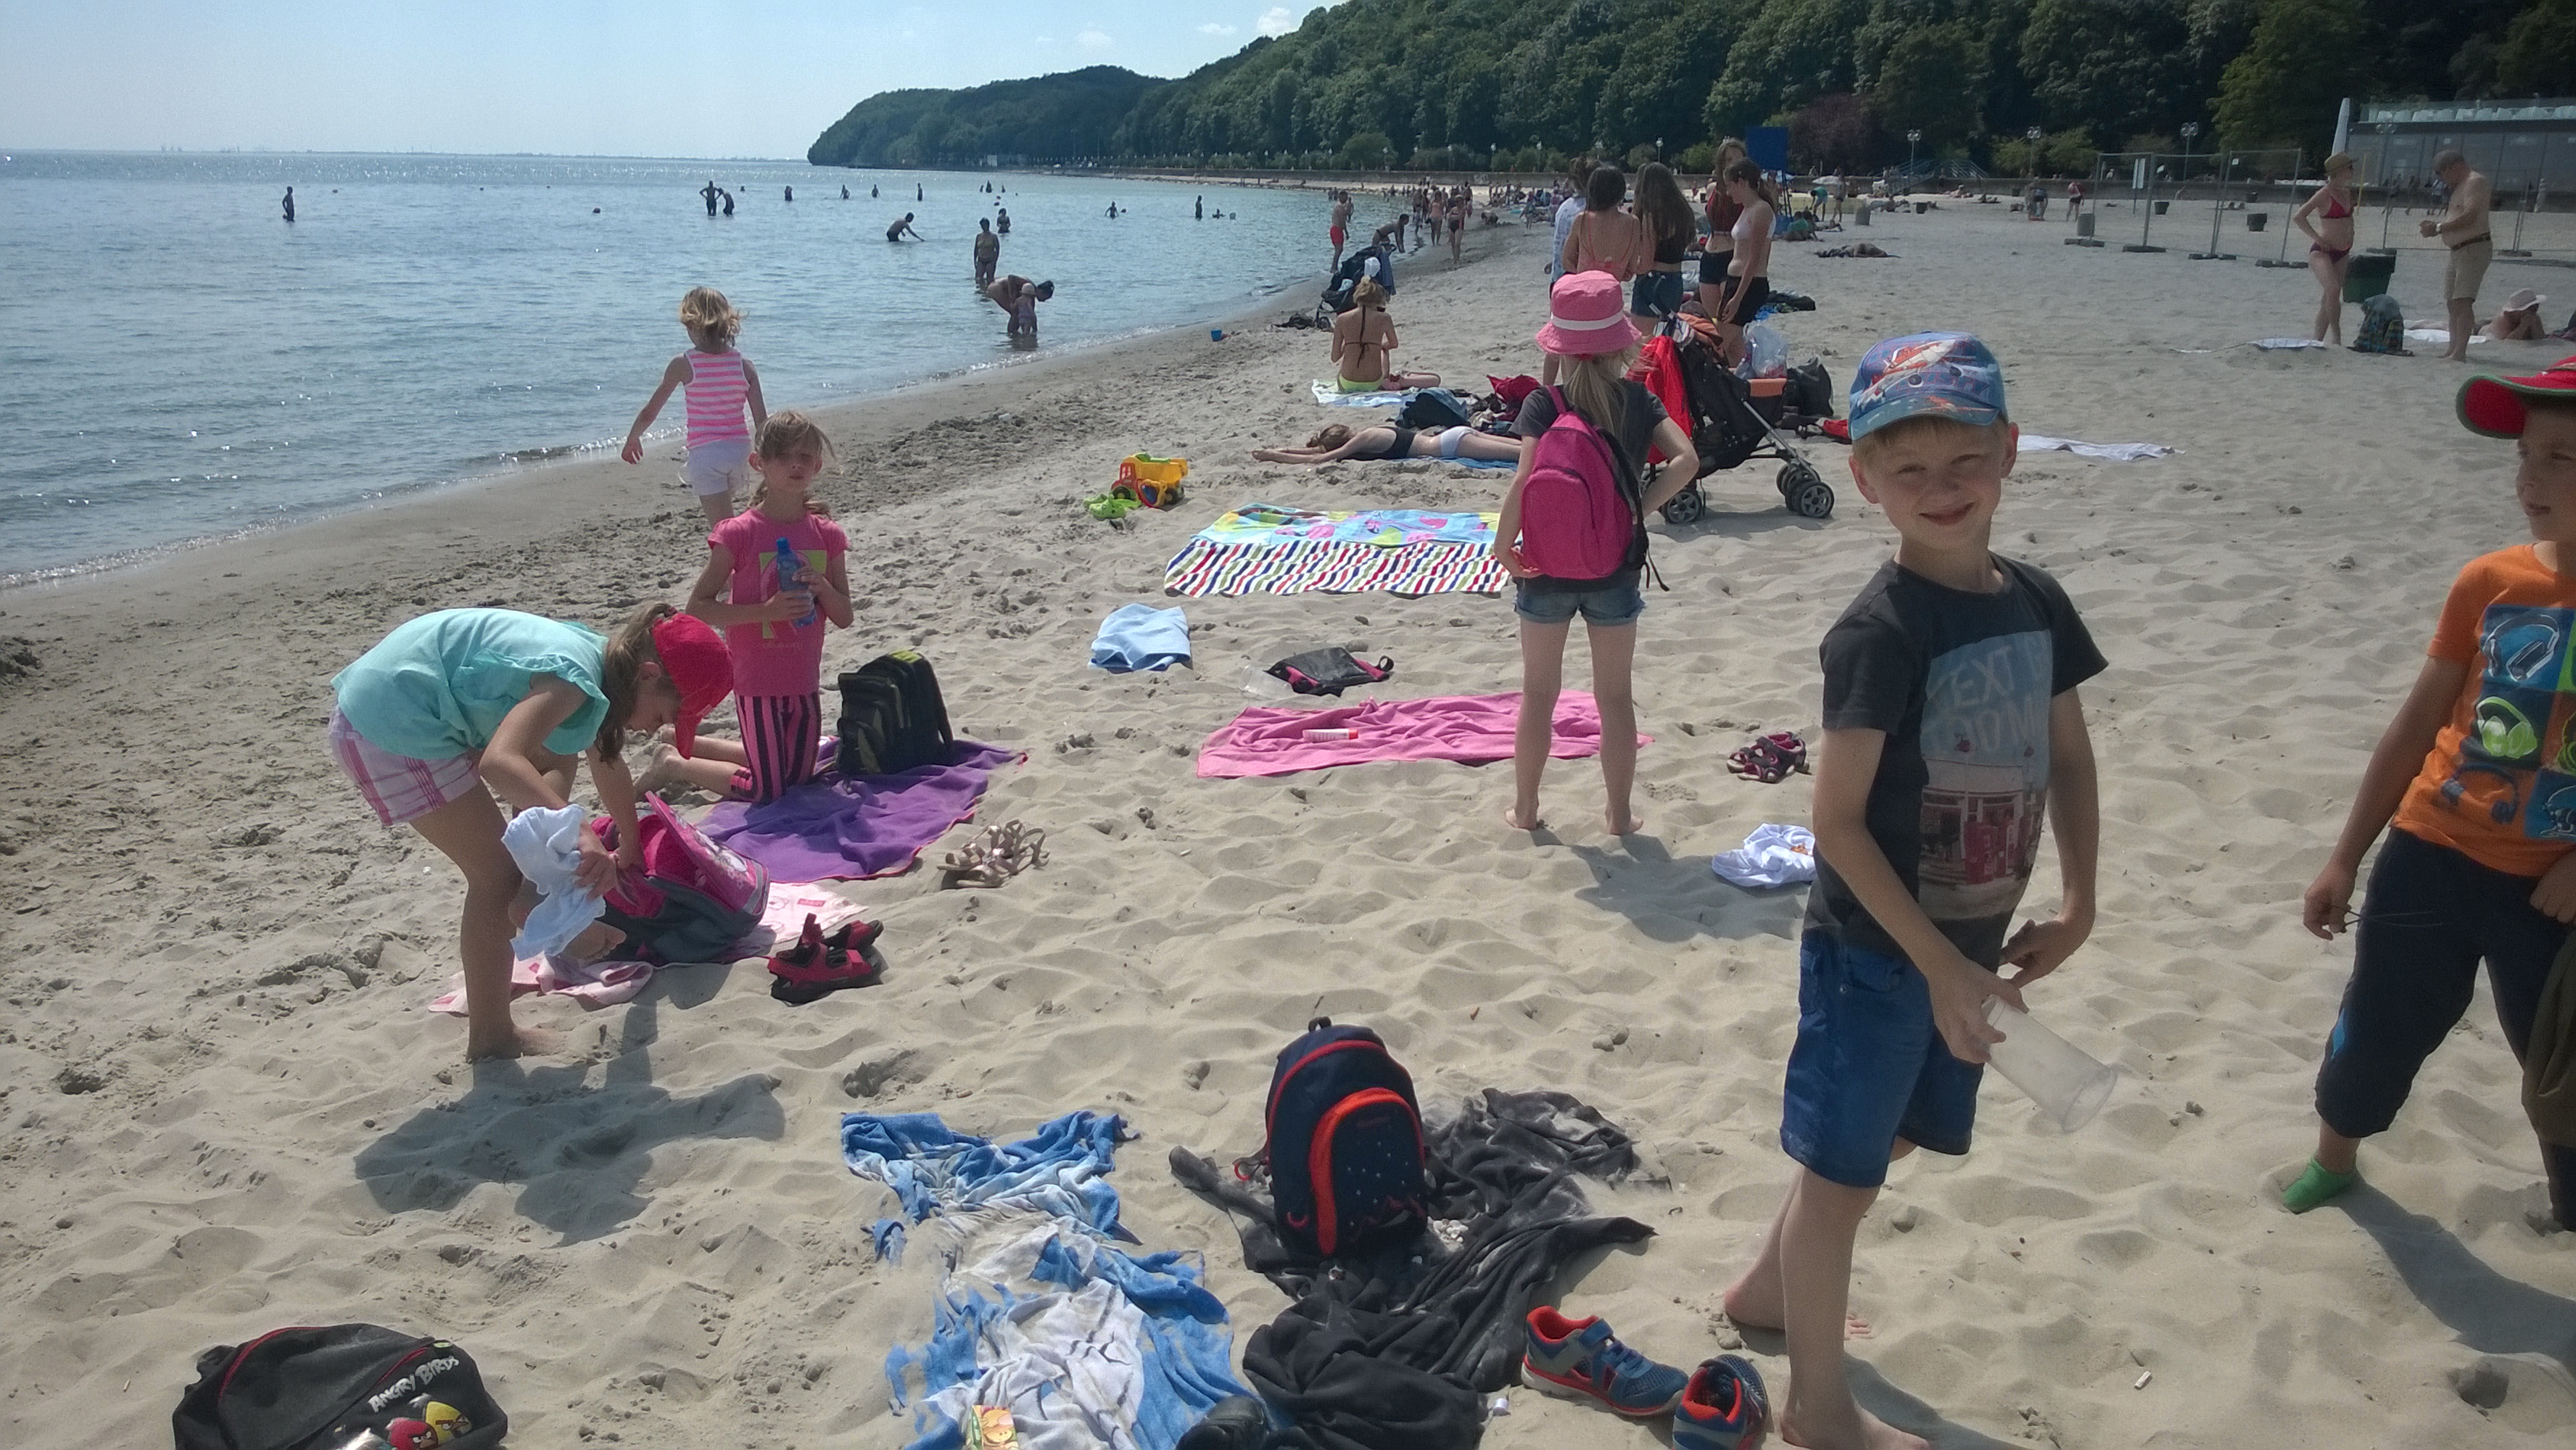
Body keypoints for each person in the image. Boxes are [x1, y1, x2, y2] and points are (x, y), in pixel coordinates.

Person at [1723, 331, 2104, 1450]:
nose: (1941, 489)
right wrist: (1938, 969)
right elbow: (1836, 823)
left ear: (2009, 452)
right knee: (1843, 1177)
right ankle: (1817, 1409)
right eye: (1910, 469)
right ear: (1865, 480)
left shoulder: (2036, 602)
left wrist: (2080, 903)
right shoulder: (1881, 632)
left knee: (1885, 1142)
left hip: (1969, 951)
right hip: (1879, 957)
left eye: (1965, 461)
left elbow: (2070, 757)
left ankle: (1763, 1293)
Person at [2284, 357, 2576, 1232]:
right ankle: (2334, 1158)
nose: (2528, 478)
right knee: (2379, 1021)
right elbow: (2416, 724)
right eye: (2524, 454)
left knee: (2560, 1061)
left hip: (2551, 890)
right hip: (2430, 852)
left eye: (2560, 458)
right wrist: (2345, 855)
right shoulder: (2490, 581)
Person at [328, 604, 737, 1059]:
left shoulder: (598, 665)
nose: (650, 730)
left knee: (557, 753)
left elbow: (607, 760)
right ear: (647, 674)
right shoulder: (573, 681)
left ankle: (534, 887)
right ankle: (493, 1034)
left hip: (410, 698)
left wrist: (631, 845)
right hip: (389, 722)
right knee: (495, 878)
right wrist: (579, 828)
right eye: (662, 717)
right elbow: (499, 762)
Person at [1493, 272, 1698, 836]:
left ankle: (1527, 810)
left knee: (1539, 694)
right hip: (1614, 567)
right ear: (1620, 343)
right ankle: (1619, 815)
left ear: (1560, 346)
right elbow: (1687, 461)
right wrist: (1636, 509)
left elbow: (1524, 480)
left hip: (1545, 568)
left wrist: (1502, 546)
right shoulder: (1638, 400)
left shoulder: (1544, 402)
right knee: (1615, 698)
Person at [685, 412, 854, 803]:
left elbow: (844, 616)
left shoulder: (827, 535)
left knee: (800, 780)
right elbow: (698, 608)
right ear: (758, 462)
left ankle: (698, 745)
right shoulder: (739, 532)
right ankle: (675, 762)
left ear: (817, 465)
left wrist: (822, 586)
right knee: (770, 789)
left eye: (804, 456)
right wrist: (767, 612)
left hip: (803, 679)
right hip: (756, 682)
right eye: (783, 456)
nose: (795, 465)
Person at [621, 288, 767, 523]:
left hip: (706, 453)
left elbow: (651, 411)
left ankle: (740, 548)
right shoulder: (744, 365)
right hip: (739, 451)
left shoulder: (684, 364)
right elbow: (762, 421)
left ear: (691, 325)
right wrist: (767, 456)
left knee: (723, 529)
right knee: (726, 519)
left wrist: (633, 438)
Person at [1550, 166, 1646, 386]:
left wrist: (1585, 273)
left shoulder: (1583, 220)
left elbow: (1567, 261)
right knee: (1609, 372)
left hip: (1583, 299)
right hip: (1610, 300)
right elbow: (1631, 269)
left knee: (1574, 370)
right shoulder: (1633, 223)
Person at [2421, 149, 2495, 362]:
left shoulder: (2475, 182)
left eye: (2442, 173)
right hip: (2458, 250)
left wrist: (2439, 228)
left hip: (2473, 247)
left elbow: (2471, 215)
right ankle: (2452, 348)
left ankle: (2460, 351)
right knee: (2452, 302)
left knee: (2463, 301)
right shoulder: (2460, 186)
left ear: (2454, 167)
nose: (2443, 179)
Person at [1714, 160, 1778, 367]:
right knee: (1733, 348)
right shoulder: (1747, 209)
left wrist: (1738, 298)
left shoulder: (1761, 210)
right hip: (1737, 280)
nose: (1728, 192)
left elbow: (1755, 257)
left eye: (1730, 186)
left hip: (1749, 283)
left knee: (1718, 343)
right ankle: (1744, 380)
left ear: (1742, 182)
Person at [1329, 278, 1440, 392]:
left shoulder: (1342, 319)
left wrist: (1348, 344)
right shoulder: (1385, 318)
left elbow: (1335, 357)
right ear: (1378, 300)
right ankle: (1388, 379)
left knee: (1350, 349)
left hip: (1347, 383)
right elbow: (1394, 344)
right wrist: (1377, 345)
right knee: (1383, 350)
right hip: (1374, 383)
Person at [2295, 152, 2360, 345]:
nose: (2352, 171)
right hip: (2323, 250)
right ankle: (2336, 337)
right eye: (2349, 167)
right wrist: (2317, 237)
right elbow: (2299, 217)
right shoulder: (2324, 194)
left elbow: (2348, 220)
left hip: (2343, 250)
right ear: (2340, 171)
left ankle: (2318, 340)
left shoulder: (2347, 193)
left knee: (2329, 298)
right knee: (2333, 289)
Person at [1252, 420, 1526, 465]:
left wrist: (1275, 456)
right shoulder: (1369, 433)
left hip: (1451, 447)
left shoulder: (1363, 441)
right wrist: (1280, 450)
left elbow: (1319, 458)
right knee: (1526, 449)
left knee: (1523, 456)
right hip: (1454, 435)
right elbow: (1317, 451)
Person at [1630, 162, 1695, 326]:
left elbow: (1646, 263)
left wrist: (1627, 267)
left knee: (1644, 336)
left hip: (1653, 281)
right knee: (1667, 334)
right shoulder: (1683, 213)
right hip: (1675, 280)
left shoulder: (1651, 217)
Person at [1697, 138, 1750, 318]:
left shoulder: (1749, 191)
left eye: (1738, 158)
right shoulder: (1713, 189)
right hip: (1709, 254)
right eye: (1729, 159)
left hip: (1733, 254)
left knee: (1728, 318)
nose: (1734, 163)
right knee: (1712, 318)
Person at [986, 275, 1054, 341]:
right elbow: (1011, 277)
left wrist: (1035, 330)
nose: (1044, 301)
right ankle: (1011, 335)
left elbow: (1032, 314)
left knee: (1017, 313)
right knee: (1015, 313)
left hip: (998, 287)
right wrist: (1013, 298)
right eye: (1045, 298)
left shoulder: (1031, 294)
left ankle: (1014, 335)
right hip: (996, 287)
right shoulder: (1028, 285)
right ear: (1041, 291)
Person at [973, 218, 1001, 289]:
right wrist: (975, 261)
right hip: (981, 260)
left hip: (990, 260)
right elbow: (976, 249)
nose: (984, 227)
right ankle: (981, 292)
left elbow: (997, 249)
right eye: (982, 225)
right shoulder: (979, 236)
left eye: (985, 225)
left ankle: (989, 292)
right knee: (978, 279)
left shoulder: (993, 236)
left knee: (990, 279)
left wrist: (995, 260)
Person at [1331, 190, 1353, 269]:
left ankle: (1335, 266)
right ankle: (1334, 267)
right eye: (1345, 198)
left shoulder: (1340, 206)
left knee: (1339, 249)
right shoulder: (1339, 206)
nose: (1346, 200)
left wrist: (1349, 207)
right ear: (1341, 197)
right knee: (1339, 249)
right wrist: (1346, 232)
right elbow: (1342, 220)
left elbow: (1346, 214)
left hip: (1337, 229)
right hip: (1336, 229)